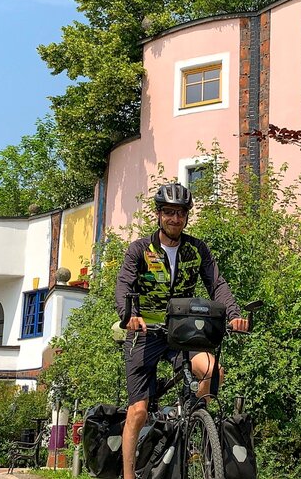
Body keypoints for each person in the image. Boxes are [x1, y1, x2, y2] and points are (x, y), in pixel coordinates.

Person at [115, 182, 248, 479]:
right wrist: (130, 315)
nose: (175, 219)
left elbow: (218, 284)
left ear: (187, 217)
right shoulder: (140, 249)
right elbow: (123, 284)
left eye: (180, 214)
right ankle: (127, 475)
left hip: (182, 331)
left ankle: (192, 424)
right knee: (138, 410)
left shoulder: (196, 249)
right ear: (159, 214)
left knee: (214, 372)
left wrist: (235, 315)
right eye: (169, 213)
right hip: (145, 333)